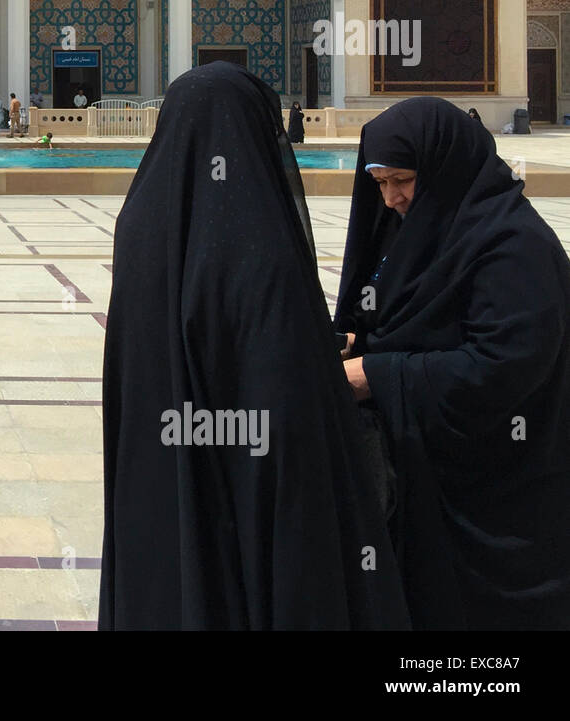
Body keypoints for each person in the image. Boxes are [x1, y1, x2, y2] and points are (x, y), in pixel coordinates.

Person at [100, 62, 409, 630]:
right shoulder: (259, 240)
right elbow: (285, 397)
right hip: (255, 491)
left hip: (154, 470)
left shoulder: (140, 224)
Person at [335, 98, 570, 629]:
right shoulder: (415, 231)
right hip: (427, 479)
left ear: (444, 168)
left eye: (402, 180)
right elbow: (404, 316)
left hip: (499, 489)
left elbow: (504, 365)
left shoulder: (513, 247)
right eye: (378, 183)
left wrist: (376, 375)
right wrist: (358, 340)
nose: (391, 198)